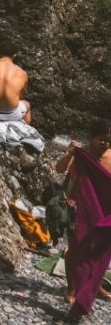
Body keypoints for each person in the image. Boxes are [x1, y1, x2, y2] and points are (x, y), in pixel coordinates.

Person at [56, 120, 111, 310]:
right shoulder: (82, 154)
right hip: (78, 207)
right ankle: (72, 289)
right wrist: (70, 153)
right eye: (102, 140)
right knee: (76, 248)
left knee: (101, 250)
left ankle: (94, 286)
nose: (105, 144)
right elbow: (59, 169)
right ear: (91, 138)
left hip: (104, 210)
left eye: (109, 141)